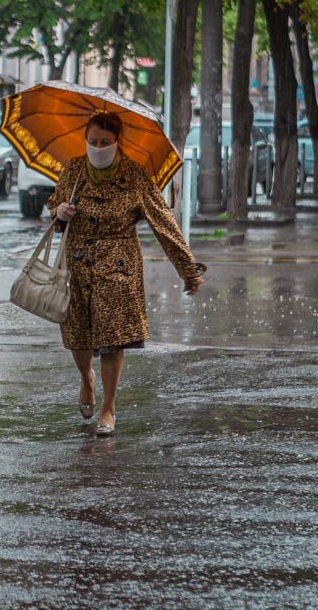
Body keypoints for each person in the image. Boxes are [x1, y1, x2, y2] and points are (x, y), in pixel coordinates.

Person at [46, 112, 205, 437]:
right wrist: (60, 211)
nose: (98, 148)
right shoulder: (74, 168)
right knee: (78, 336)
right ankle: (86, 378)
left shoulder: (134, 175)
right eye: (93, 142)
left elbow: (164, 223)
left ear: (117, 142)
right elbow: (54, 208)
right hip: (77, 265)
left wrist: (188, 270)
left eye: (105, 143)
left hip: (118, 267)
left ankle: (109, 408)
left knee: (112, 340)